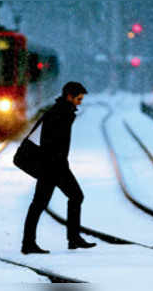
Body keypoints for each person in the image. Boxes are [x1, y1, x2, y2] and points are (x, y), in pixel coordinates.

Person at [21, 82, 96, 255]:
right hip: (52, 166)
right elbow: (51, 143)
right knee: (51, 201)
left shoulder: (62, 111)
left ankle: (71, 239)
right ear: (69, 96)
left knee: (62, 199)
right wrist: (56, 164)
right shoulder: (59, 113)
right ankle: (31, 243)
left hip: (55, 165)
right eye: (78, 98)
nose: (80, 102)